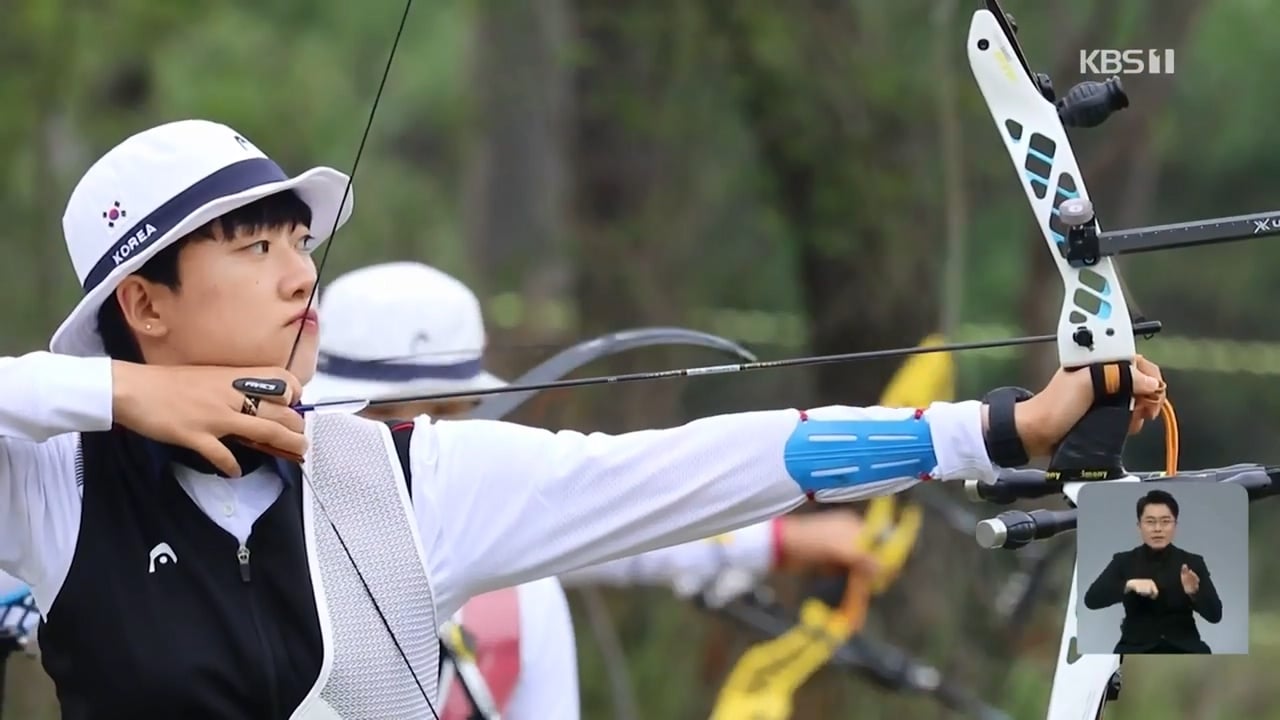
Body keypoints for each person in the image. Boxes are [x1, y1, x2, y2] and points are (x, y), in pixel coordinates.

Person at [0, 118, 1166, 719]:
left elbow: (692, 469)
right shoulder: (55, 484)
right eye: (253, 247)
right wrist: (117, 396)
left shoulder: (409, 481)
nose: (300, 273)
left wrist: (991, 432)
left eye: (300, 239)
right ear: (143, 304)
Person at [305, 261, 879, 719]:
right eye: (385, 419)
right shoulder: (268, 534)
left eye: (447, 414)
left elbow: (631, 508)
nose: (424, 441)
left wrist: (780, 540)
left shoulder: (523, 589)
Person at [1083, 489, 1222, 654]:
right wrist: (1129, 585)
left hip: (1185, 648)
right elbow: (1091, 600)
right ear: (1139, 526)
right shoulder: (1123, 561)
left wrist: (1194, 593)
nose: (1158, 529)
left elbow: (1215, 616)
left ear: (1175, 525)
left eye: (1165, 521)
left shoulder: (1192, 562)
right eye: (1150, 522)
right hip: (1135, 649)